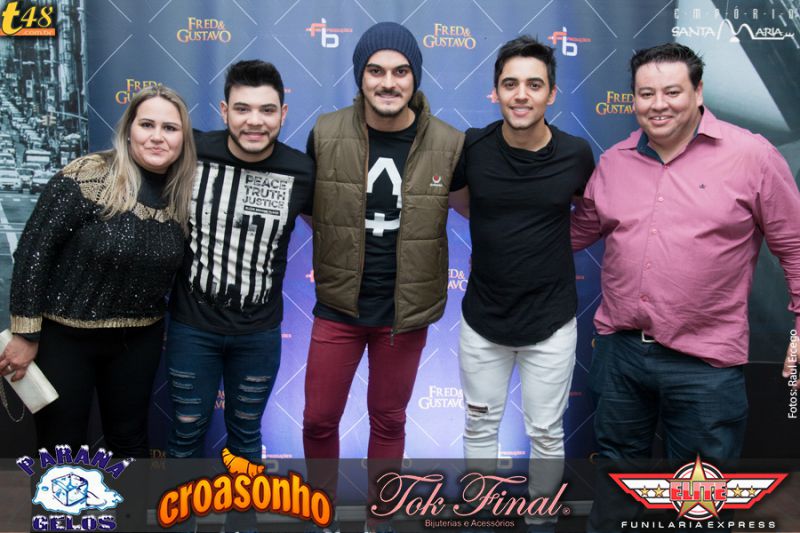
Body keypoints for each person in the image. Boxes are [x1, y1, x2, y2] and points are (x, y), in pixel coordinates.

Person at [570, 43, 800, 530]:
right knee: (616, 484)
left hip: (705, 362)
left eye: (672, 92)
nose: (659, 104)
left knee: (699, 501)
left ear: (698, 92)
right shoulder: (614, 162)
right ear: (633, 98)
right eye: (646, 93)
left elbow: (794, 245)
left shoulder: (752, 156)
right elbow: (574, 232)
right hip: (620, 354)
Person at [302, 21, 464, 533]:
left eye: (400, 71)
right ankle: (321, 514)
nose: (388, 82)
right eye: (375, 71)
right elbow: (312, 206)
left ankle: (381, 518)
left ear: (415, 77)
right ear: (360, 76)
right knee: (317, 419)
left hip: (403, 314)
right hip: (338, 308)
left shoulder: (449, 143)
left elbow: (475, 209)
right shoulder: (325, 132)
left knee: (389, 420)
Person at [0, 85, 196, 458]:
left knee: (130, 443)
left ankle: (130, 502)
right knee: (61, 446)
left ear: (183, 139)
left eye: (170, 128)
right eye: (147, 124)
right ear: (128, 130)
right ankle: (61, 502)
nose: (157, 136)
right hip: (65, 338)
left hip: (139, 340)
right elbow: (34, 250)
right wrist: (25, 333)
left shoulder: (184, 192)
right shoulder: (87, 175)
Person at [449, 35, 595, 533]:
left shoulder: (576, 153)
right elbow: (464, 204)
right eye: (510, 84)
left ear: (551, 93)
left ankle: (539, 522)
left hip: (551, 321)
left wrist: (541, 243)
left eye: (534, 84)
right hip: (483, 318)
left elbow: (589, 213)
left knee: (547, 433)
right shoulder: (472, 147)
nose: (521, 94)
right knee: (479, 426)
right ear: (495, 91)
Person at [165, 60, 314, 463]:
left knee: (247, 437)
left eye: (267, 110)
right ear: (224, 110)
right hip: (192, 328)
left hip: (258, 334)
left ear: (283, 113)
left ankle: (242, 509)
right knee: (185, 433)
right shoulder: (191, 152)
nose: (255, 121)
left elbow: (335, 229)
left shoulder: (302, 171)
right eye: (243, 108)